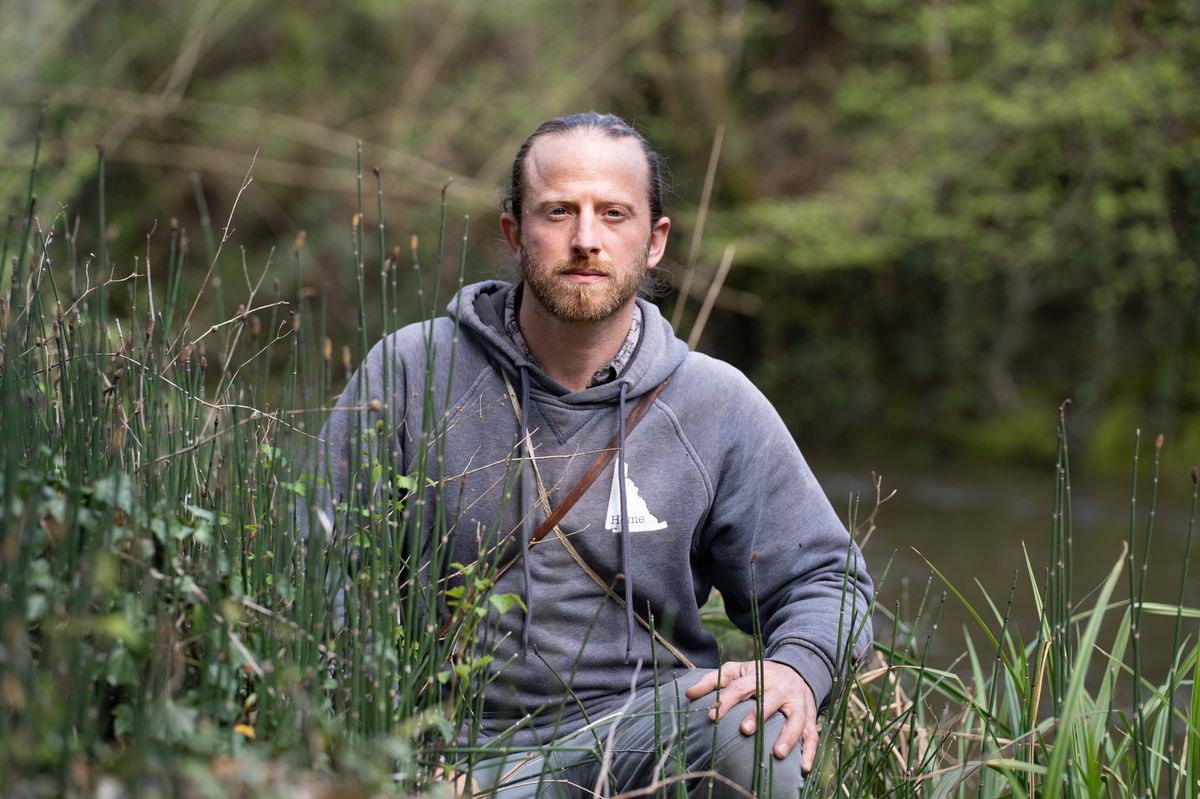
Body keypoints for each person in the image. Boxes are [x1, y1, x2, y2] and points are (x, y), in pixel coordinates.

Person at [307, 112, 873, 797]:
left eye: (612, 213)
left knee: (757, 728)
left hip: (637, 739)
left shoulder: (716, 403)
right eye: (558, 212)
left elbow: (826, 581)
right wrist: (372, 739)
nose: (585, 239)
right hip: (439, 746)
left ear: (654, 239)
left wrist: (797, 668)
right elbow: (323, 570)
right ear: (514, 232)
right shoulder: (409, 370)